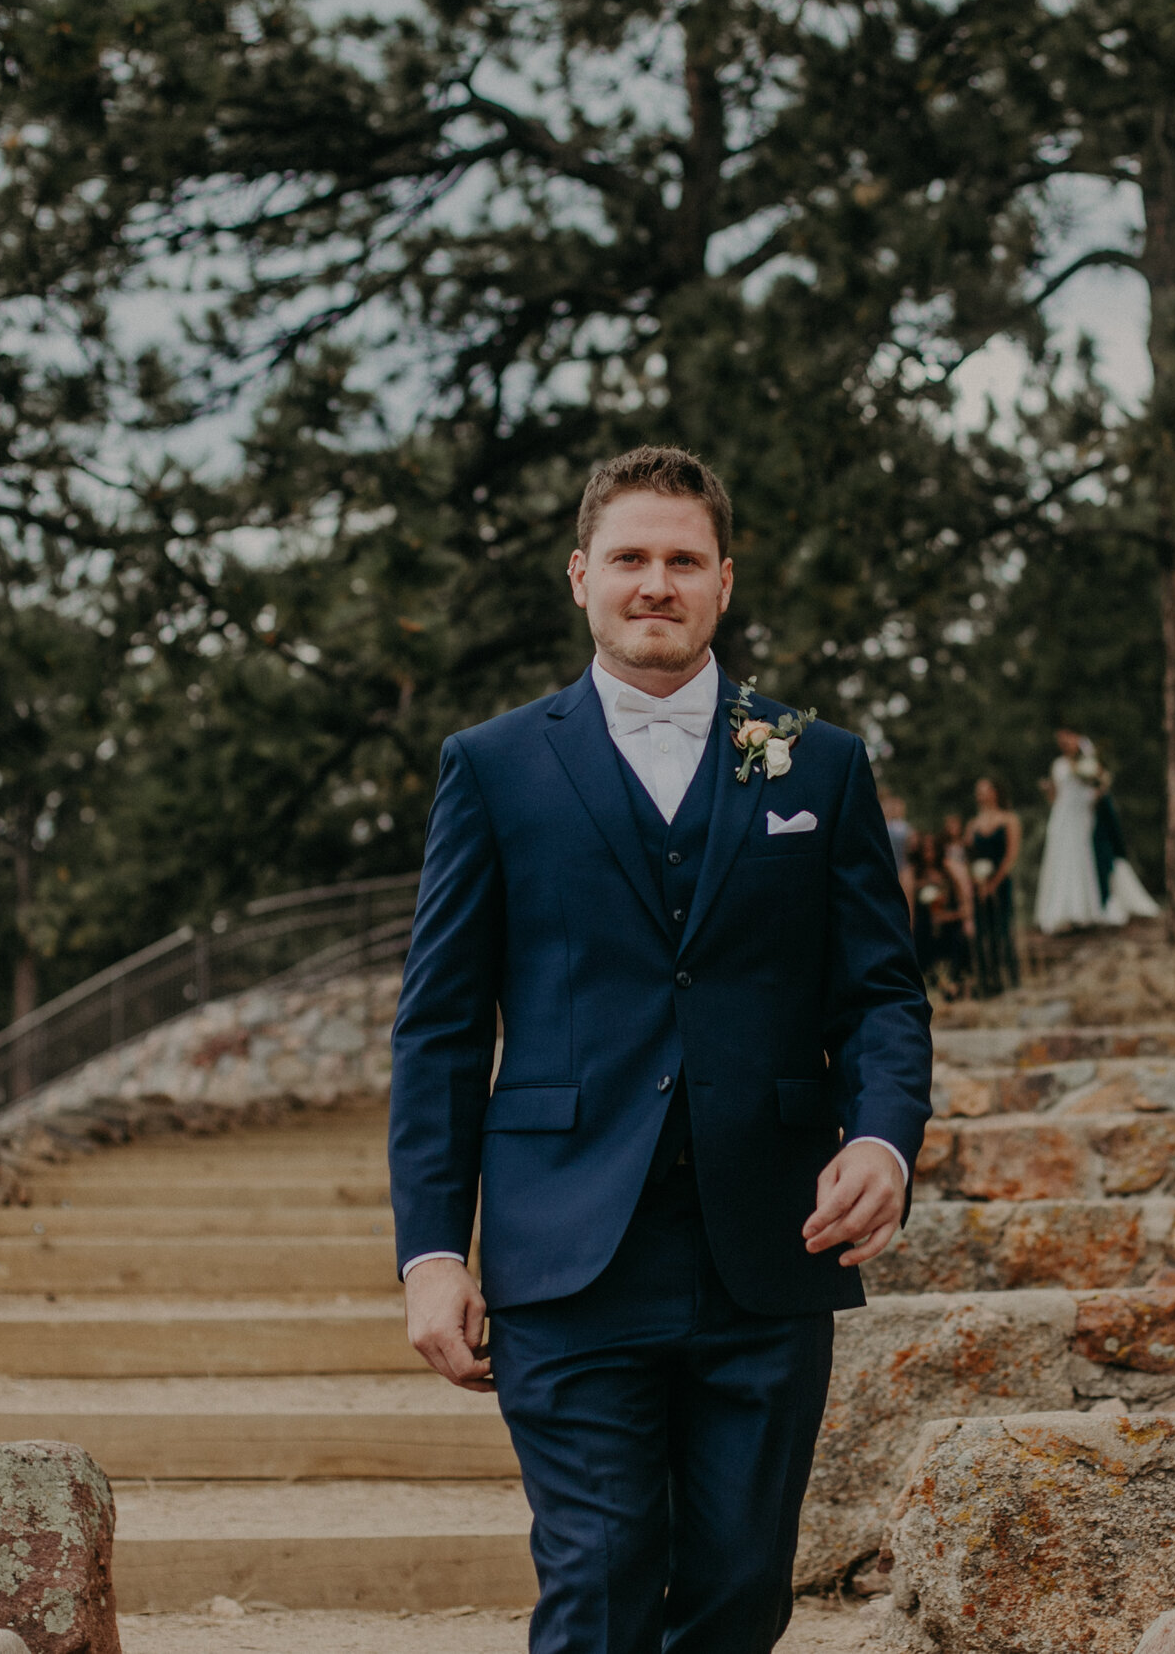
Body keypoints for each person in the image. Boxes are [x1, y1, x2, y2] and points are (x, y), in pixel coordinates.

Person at [388, 446, 933, 1654]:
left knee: (740, 1592)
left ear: (723, 583)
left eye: (682, 559)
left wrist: (886, 1137)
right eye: (629, 556)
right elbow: (436, 1026)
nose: (655, 581)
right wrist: (432, 1247)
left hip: (767, 1246)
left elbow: (881, 994)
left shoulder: (819, 761)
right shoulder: (492, 766)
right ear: (580, 574)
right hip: (565, 1250)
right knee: (600, 1577)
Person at [1034, 730, 1160, 932]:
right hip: (1062, 816)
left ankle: (1085, 909)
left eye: (1067, 739)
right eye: (1060, 741)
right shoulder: (1058, 765)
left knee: (1082, 858)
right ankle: (1062, 910)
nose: (1064, 744)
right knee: (1062, 859)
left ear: (1076, 739)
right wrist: (1048, 789)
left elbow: (1102, 786)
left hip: (1083, 816)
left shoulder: (1089, 761)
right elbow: (1056, 797)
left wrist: (1092, 795)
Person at [965, 778, 1020, 996]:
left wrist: (994, 882)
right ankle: (989, 982)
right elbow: (968, 856)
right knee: (982, 933)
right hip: (979, 885)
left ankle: (1012, 982)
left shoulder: (1009, 819)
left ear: (996, 792)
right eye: (978, 791)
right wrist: (977, 881)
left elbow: (1011, 855)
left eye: (984, 790)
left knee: (1003, 931)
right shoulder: (973, 825)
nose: (980, 795)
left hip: (1001, 882)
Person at [909, 830, 975, 997]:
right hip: (925, 925)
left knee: (955, 940)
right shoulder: (915, 874)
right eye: (925, 850)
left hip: (949, 923)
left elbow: (964, 905)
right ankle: (932, 984)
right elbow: (911, 906)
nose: (929, 854)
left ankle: (953, 985)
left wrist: (951, 916)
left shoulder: (949, 870)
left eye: (932, 850)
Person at [880, 790, 916, 922]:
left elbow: (912, 847)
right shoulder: (887, 826)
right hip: (891, 867)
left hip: (903, 867)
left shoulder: (905, 827)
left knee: (908, 907)